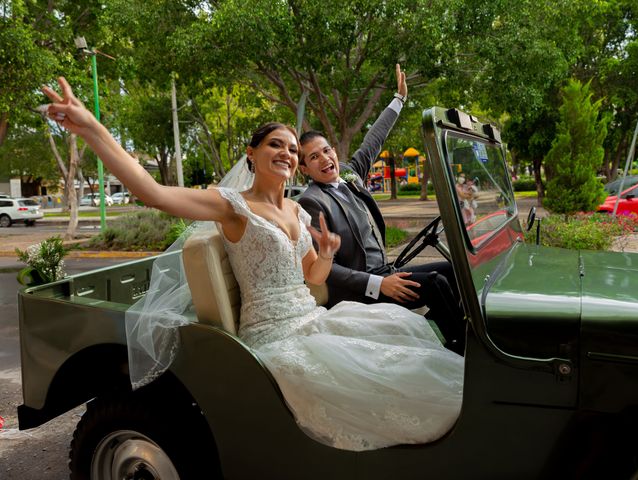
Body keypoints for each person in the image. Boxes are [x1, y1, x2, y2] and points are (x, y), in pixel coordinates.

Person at [42, 76, 463, 452]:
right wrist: (92, 128)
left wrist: (328, 253)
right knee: (391, 386)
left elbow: (312, 276)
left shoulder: (298, 212)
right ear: (252, 154)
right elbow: (154, 193)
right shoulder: (234, 207)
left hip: (313, 319)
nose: (286, 153)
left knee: (407, 352)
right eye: (275, 145)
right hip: (276, 336)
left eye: (292, 149)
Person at [298, 64, 465, 353]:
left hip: (387, 270)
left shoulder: (350, 174)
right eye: (314, 157)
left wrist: (398, 100)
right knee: (436, 283)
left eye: (326, 150)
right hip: (361, 291)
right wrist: (379, 284)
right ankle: (464, 349)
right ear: (304, 168)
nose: (324, 159)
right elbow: (326, 269)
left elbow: (374, 140)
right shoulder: (311, 201)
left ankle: (450, 337)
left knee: (455, 270)